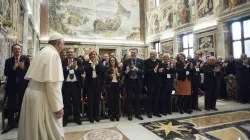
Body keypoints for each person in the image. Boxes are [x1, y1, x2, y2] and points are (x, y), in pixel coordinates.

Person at [18, 32, 65, 140]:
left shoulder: (42, 52)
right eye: (62, 45)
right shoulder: (53, 55)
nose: (62, 48)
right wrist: (58, 107)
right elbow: (53, 85)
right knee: (51, 132)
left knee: (32, 130)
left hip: (31, 93)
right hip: (42, 97)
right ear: (58, 44)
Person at [2, 44, 30, 134]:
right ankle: (10, 124)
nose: (17, 51)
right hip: (12, 87)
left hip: (23, 87)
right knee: (11, 105)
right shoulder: (8, 61)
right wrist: (14, 68)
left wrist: (23, 68)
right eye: (15, 49)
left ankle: (22, 123)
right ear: (12, 51)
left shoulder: (25, 59)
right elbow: (6, 73)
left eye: (18, 49)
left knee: (23, 105)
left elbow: (30, 72)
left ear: (21, 50)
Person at [62, 48, 84, 127]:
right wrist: (67, 67)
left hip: (75, 85)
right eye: (68, 52)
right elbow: (60, 71)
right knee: (66, 103)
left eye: (71, 52)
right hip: (66, 85)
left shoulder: (78, 61)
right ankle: (65, 119)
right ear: (66, 53)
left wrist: (76, 67)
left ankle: (77, 118)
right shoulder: (63, 61)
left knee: (76, 103)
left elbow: (82, 70)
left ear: (73, 53)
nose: (70, 53)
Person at [122, 48, 144, 121]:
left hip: (137, 82)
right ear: (130, 53)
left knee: (138, 99)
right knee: (129, 99)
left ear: (137, 53)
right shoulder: (126, 61)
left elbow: (144, 72)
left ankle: (138, 114)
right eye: (132, 52)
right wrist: (126, 71)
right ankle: (129, 114)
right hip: (129, 82)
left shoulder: (141, 61)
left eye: (134, 52)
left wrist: (137, 69)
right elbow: (122, 72)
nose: (133, 54)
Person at [84, 51, 104, 123]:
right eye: (92, 55)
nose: (93, 56)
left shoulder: (100, 63)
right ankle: (91, 116)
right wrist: (92, 65)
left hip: (97, 85)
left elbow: (102, 72)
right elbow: (87, 72)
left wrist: (97, 64)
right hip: (89, 85)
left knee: (97, 101)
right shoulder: (86, 63)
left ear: (96, 56)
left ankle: (97, 116)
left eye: (95, 54)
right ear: (90, 56)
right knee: (90, 101)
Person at [144, 50, 162, 118]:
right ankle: (149, 112)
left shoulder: (159, 61)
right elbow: (145, 71)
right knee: (150, 98)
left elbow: (161, 71)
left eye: (153, 54)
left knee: (156, 97)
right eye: (150, 54)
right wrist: (153, 70)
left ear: (156, 55)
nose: (151, 55)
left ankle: (156, 112)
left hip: (158, 82)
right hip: (150, 82)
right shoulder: (146, 61)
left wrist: (161, 71)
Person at [105, 56, 121, 121]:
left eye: (113, 60)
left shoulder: (118, 68)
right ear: (109, 61)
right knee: (111, 100)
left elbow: (121, 76)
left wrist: (117, 73)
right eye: (111, 60)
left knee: (117, 100)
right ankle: (111, 114)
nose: (112, 62)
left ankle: (117, 114)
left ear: (115, 61)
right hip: (110, 85)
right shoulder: (107, 68)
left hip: (117, 85)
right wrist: (111, 75)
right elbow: (105, 77)